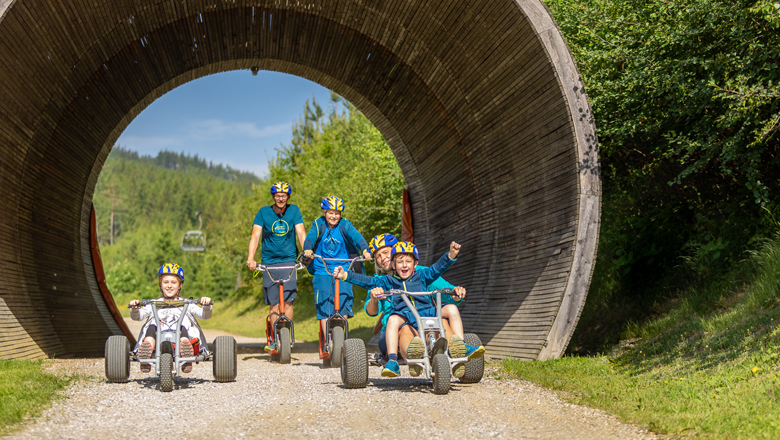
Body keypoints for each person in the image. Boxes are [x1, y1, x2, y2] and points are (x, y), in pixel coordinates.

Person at [333, 241, 461, 377]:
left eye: (408, 261)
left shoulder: (423, 275)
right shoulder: (387, 281)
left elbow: (437, 269)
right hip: (405, 318)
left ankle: (461, 347)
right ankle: (398, 359)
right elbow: (368, 281)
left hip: (427, 313)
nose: (404, 265)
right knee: (396, 322)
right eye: (400, 262)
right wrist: (346, 275)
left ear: (415, 264)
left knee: (449, 312)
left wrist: (451, 255)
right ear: (394, 265)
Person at [364, 233, 483, 377]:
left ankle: (457, 351)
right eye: (378, 256)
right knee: (404, 327)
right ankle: (412, 356)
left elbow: (446, 292)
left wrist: (456, 294)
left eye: (385, 252)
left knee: (442, 321)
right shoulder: (380, 281)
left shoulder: (419, 273)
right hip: (395, 329)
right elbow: (371, 312)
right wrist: (374, 299)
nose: (383, 258)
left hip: (424, 321)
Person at [301, 196, 372, 352]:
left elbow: (357, 237)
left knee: (345, 299)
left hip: (343, 268)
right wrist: (308, 249)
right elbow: (310, 238)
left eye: (337, 213)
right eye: (331, 213)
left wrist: (365, 249)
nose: (334, 216)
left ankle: (343, 339)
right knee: (324, 303)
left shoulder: (345, 225)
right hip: (322, 268)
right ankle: (327, 341)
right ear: (325, 212)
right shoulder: (318, 224)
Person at [246, 181, 306, 353]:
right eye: (278, 195)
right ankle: (275, 337)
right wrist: (251, 258)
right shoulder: (264, 213)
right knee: (274, 304)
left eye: (284, 195)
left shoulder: (293, 210)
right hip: (269, 263)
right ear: (273, 197)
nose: (281, 198)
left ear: (288, 197)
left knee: (287, 301)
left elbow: (301, 233)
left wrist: (306, 252)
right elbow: (255, 236)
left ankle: (287, 334)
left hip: (289, 261)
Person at [130, 263, 212, 373]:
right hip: (157, 337)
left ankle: (186, 351)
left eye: (173, 282)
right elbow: (138, 317)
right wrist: (135, 308)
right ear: (160, 284)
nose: (169, 285)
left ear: (180, 285)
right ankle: (146, 353)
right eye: (166, 282)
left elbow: (205, 316)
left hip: (181, 335)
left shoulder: (187, 303)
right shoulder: (153, 304)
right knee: (152, 327)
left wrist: (206, 306)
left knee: (182, 326)